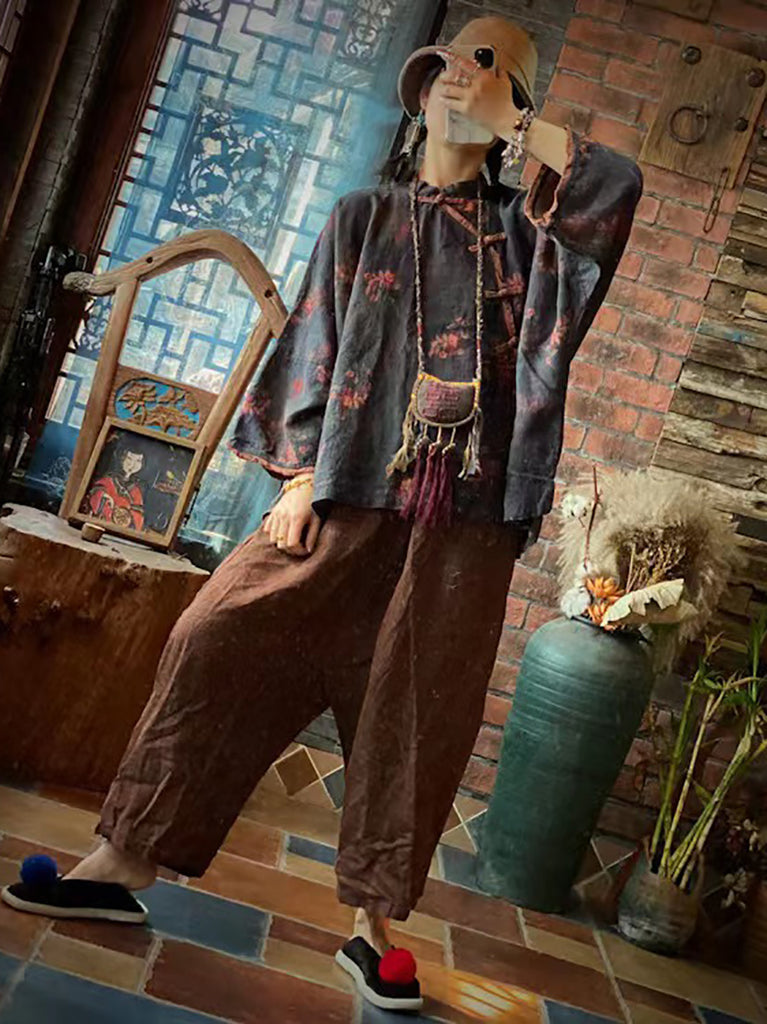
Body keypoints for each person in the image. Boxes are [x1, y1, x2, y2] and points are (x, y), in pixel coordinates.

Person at [3, 17, 642, 1013]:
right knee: (212, 635)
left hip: (460, 533)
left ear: (516, 107)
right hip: (344, 501)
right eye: (444, 68)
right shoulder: (360, 216)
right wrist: (297, 477)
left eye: (487, 74)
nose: (458, 82)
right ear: (415, 93)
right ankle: (123, 859)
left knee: (415, 717)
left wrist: (518, 122)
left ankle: (373, 928)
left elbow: (613, 188)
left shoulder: (533, 245)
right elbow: (309, 347)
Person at [84, 441, 145, 531]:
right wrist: (105, 497)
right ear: (122, 459)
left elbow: (138, 514)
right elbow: (96, 495)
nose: (132, 464)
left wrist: (125, 517)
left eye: (138, 461)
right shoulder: (108, 480)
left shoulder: (136, 490)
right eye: (129, 459)